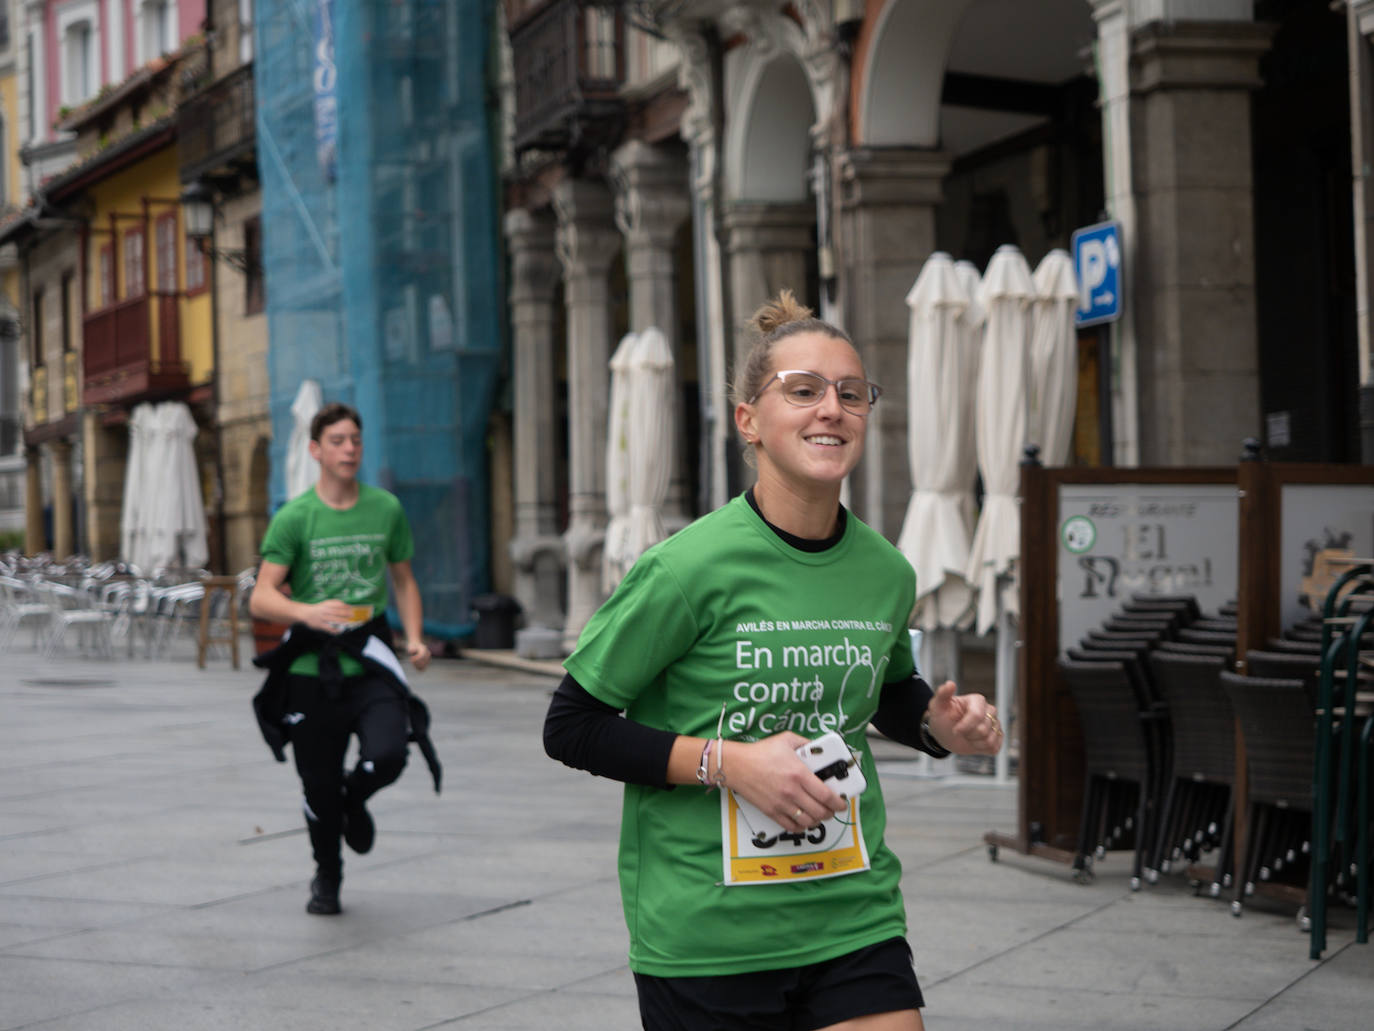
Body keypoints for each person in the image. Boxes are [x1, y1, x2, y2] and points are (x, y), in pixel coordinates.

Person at [544, 290, 1003, 1030]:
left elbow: (884, 688)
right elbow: (572, 725)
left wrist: (938, 724)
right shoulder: (685, 568)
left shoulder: (886, 571)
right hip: (709, 929)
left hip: (852, 908)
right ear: (748, 421)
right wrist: (732, 762)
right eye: (804, 390)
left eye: (851, 394)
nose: (832, 408)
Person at [250, 401, 436, 916]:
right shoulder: (295, 518)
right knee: (318, 784)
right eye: (337, 440)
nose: (349, 448)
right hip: (313, 670)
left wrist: (415, 637)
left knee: (391, 753)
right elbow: (261, 597)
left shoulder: (385, 509)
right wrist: (306, 612)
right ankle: (326, 876)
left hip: (370, 661)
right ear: (315, 450)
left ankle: (354, 798)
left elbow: (403, 578)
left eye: (355, 439)